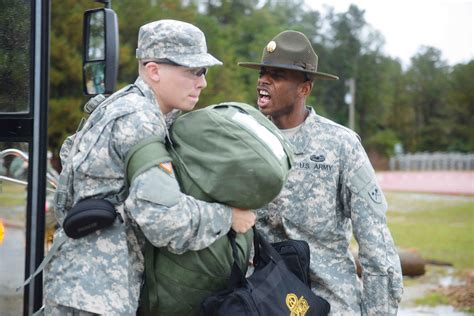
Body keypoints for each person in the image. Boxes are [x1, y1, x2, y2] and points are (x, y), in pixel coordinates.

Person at [44, 19, 256, 315]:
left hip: (84, 286)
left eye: (203, 72)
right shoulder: (138, 119)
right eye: (193, 71)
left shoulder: (123, 104)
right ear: (154, 70)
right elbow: (164, 220)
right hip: (97, 296)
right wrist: (229, 217)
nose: (203, 82)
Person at [238, 30, 403, 315]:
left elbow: (376, 243)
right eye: (263, 73)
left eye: (277, 75)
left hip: (329, 300)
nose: (263, 81)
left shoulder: (341, 145)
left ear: (304, 88)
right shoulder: (244, 138)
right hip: (264, 301)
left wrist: (379, 311)